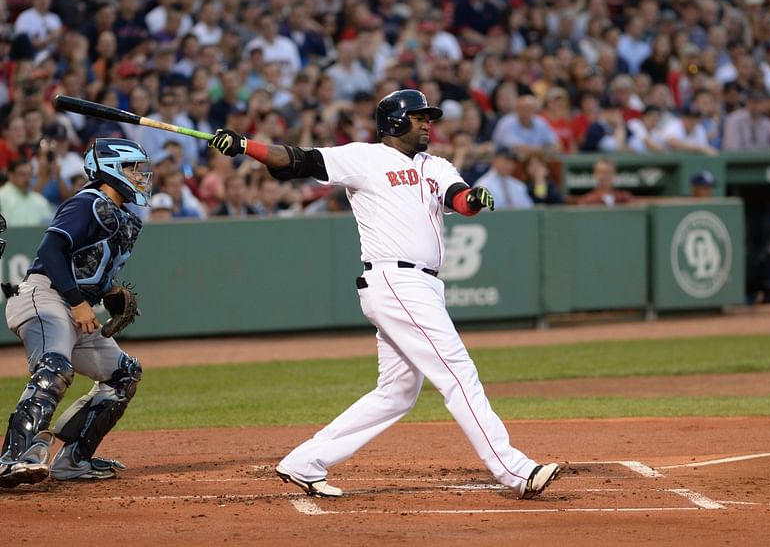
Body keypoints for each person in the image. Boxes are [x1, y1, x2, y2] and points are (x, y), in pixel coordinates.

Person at [208, 89, 561, 500]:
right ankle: (513, 470)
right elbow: (298, 160)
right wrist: (245, 145)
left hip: (422, 284)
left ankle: (305, 462)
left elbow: (458, 199)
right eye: (419, 117)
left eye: (429, 117)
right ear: (395, 122)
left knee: (396, 392)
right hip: (396, 281)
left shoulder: (437, 164)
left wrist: (473, 200)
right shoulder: (364, 157)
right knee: (457, 373)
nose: (428, 123)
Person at [0, 138, 150, 488]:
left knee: (125, 374)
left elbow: (84, 267)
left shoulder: (118, 215)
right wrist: (79, 302)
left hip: (70, 303)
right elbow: (51, 250)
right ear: (111, 170)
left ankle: (73, 460)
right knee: (55, 367)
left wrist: (108, 293)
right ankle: (12, 458)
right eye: (133, 168)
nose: (141, 176)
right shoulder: (87, 202)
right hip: (43, 294)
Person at [0, 159, 54, 227]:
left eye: (29, 174)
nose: (27, 178)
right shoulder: (1, 197)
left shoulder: (40, 201)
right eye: (22, 174)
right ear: (11, 175)